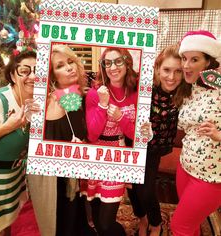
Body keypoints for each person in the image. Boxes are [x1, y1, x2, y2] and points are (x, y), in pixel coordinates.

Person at [28, 44, 94, 236]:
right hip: (55, 182)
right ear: (51, 74)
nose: (69, 67)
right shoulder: (45, 102)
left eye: (71, 61)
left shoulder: (81, 95)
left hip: (79, 175)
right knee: (63, 222)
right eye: (60, 65)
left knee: (79, 218)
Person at [127, 44, 188, 236]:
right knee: (133, 189)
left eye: (178, 71)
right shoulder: (145, 86)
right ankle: (143, 220)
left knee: (145, 190)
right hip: (132, 142)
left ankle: (156, 223)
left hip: (155, 148)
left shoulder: (185, 93)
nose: (171, 77)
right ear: (157, 69)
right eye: (167, 70)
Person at [80, 47, 139, 236]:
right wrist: (102, 105)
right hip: (95, 155)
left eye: (118, 61)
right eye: (108, 63)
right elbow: (92, 135)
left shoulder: (136, 92)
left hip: (117, 155)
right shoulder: (95, 94)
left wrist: (121, 117)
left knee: (106, 223)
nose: (113, 67)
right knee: (96, 217)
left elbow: (138, 134)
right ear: (103, 67)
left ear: (127, 62)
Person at [170, 30, 221, 235]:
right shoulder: (190, 89)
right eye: (184, 58)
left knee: (179, 226)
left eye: (194, 59)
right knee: (190, 225)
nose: (186, 65)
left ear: (208, 62)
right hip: (186, 167)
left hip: (211, 177)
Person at [0, 48, 36, 236]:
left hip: (12, 176)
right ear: (13, 75)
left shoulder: (35, 100)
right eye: (24, 71)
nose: (32, 76)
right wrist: (6, 127)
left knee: (6, 221)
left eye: (37, 70)